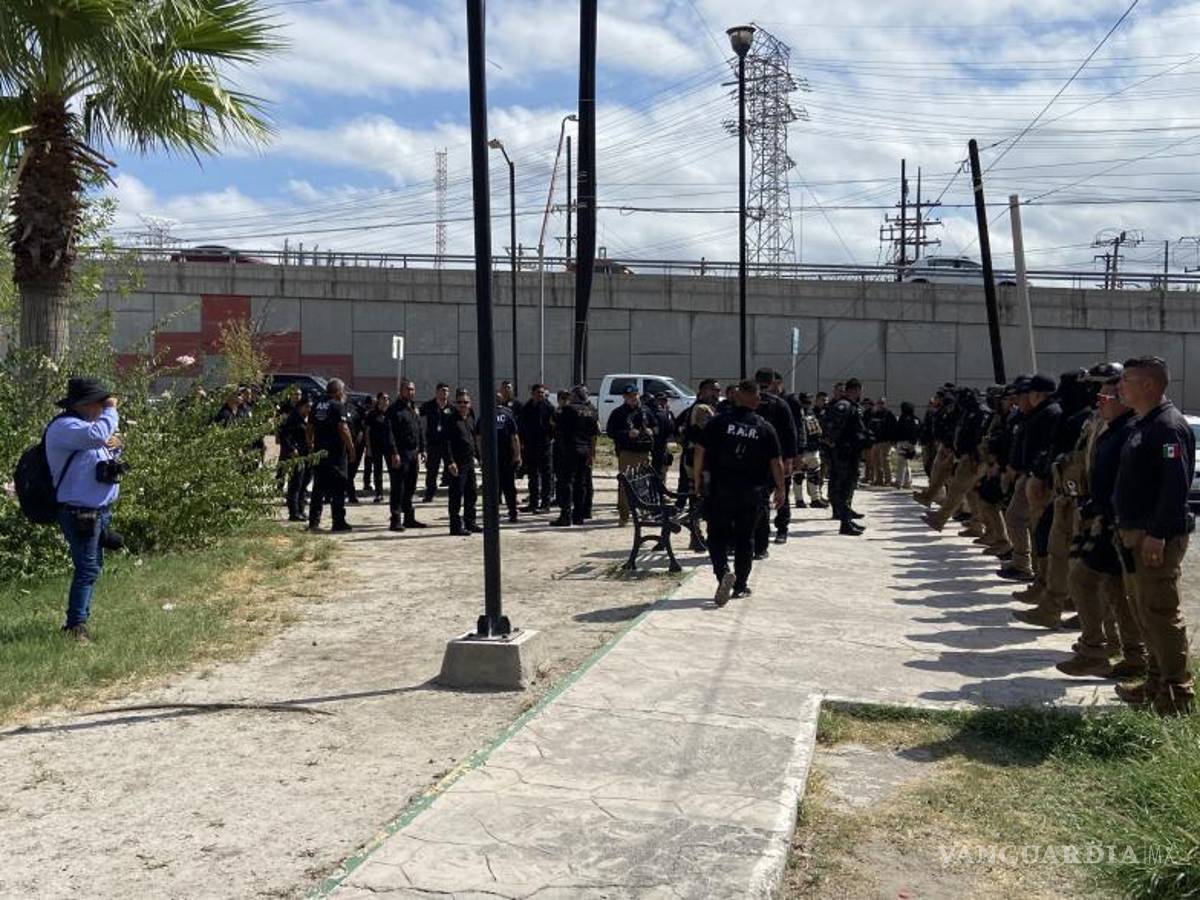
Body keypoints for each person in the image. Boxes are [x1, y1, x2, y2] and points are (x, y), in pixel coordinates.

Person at [1111, 356, 1195, 716]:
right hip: (1135, 533)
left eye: (1126, 379)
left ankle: (1177, 695)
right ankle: (1157, 681)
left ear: (1148, 385)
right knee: (1145, 611)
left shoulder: (1168, 428)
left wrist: (1158, 534)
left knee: (1161, 612)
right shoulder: (1143, 423)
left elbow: (1175, 487)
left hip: (1155, 536)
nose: (1119, 386)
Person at [1057, 363, 1145, 679]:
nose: (1098, 401)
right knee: (1114, 589)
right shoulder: (1111, 428)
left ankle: (1096, 649)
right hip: (1104, 517)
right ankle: (1129, 653)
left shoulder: (1130, 431)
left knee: (1084, 579)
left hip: (1117, 524)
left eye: (1106, 397)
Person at [693, 380, 786, 606]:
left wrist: (697, 479)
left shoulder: (718, 422)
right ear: (754, 400)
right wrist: (781, 489)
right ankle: (741, 585)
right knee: (746, 539)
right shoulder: (764, 427)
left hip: (720, 490)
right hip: (751, 493)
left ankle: (723, 573)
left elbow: (699, 451)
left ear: (736, 397)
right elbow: (777, 463)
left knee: (717, 536)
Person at [46, 377, 124, 643]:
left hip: (98, 511)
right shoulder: (66, 427)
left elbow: (100, 456)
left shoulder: (88, 428)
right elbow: (96, 437)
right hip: (79, 512)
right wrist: (112, 410)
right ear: (84, 404)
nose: (104, 407)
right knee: (87, 568)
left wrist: (116, 447)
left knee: (93, 565)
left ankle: (79, 620)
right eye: (101, 403)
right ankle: (75, 626)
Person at [753, 367, 798, 552]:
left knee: (777, 496)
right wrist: (790, 458)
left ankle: (780, 529)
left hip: (768, 458)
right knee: (777, 495)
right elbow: (791, 432)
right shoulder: (772, 403)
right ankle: (775, 531)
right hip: (770, 458)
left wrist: (789, 458)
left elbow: (790, 432)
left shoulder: (779, 404)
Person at [307, 379, 356, 533]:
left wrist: (310, 446)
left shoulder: (316, 405)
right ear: (339, 392)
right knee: (338, 487)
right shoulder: (337, 405)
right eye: (343, 391)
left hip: (319, 452)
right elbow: (343, 428)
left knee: (318, 488)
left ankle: (313, 522)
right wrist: (351, 448)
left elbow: (309, 427)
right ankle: (338, 521)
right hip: (336, 454)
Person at [824, 377, 870, 535]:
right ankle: (844, 522)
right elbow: (832, 428)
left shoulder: (852, 406)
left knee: (848, 485)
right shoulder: (843, 406)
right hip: (844, 452)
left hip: (851, 452)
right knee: (842, 487)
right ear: (854, 390)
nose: (861, 393)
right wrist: (835, 444)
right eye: (859, 390)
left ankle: (847, 519)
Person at [606, 384, 656, 527]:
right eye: (629, 396)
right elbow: (610, 432)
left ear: (638, 395)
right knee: (625, 484)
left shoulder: (646, 411)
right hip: (627, 452)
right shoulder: (618, 413)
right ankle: (624, 515)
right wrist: (627, 434)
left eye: (634, 395)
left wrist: (651, 431)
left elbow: (655, 425)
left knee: (644, 484)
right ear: (624, 397)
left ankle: (644, 513)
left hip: (644, 452)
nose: (633, 398)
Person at [551, 386, 599, 527]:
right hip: (585, 449)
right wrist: (592, 453)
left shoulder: (568, 409)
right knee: (581, 483)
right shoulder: (591, 411)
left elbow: (557, 426)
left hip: (570, 449)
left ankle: (565, 515)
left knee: (566, 482)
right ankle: (579, 515)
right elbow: (594, 434)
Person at [384, 380, 427, 532]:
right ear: (401, 390)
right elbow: (389, 434)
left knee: (410, 487)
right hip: (400, 453)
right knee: (398, 488)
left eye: (413, 389)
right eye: (408, 389)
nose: (411, 392)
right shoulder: (394, 410)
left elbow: (419, 429)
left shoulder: (413, 408)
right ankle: (395, 519)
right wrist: (394, 453)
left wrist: (423, 449)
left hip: (413, 453)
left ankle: (409, 518)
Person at [446, 390, 482, 536]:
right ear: (456, 404)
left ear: (470, 404)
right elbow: (446, 443)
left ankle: (470, 522)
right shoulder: (451, 420)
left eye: (465, 402)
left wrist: (479, 457)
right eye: (459, 402)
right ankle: (455, 527)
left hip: (469, 462)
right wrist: (450, 462)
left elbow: (474, 440)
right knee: (456, 496)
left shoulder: (470, 418)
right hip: (457, 463)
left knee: (471, 493)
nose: (462, 405)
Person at [518, 383, 555, 512]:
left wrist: (548, 439)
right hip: (530, 446)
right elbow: (521, 427)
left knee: (546, 476)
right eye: (538, 392)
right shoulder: (526, 408)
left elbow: (553, 427)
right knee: (532, 476)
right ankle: (533, 503)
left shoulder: (549, 408)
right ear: (533, 393)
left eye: (542, 393)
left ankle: (545, 504)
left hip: (544, 446)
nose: (541, 395)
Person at [278, 394, 312, 522]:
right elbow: (284, 436)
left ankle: (301, 509)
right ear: (301, 407)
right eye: (307, 407)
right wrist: (292, 449)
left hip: (306, 454)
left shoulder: (305, 419)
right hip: (295, 456)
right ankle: (294, 512)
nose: (309, 410)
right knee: (295, 484)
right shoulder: (292, 418)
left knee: (304, 482)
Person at [421, 383, 454, 502]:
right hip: (433, 443)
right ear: (437, 392)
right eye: (442, 391)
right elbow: (418, 413)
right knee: (432, 469)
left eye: (446, 391)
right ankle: (429, 493)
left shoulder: (451, 408)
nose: (444, 393)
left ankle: (452, 493)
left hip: (447, 443)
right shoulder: (429, 405)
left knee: (450, 467)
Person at [794, 393, 827, 507]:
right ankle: (799, 500)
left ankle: (815, 499)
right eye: (806, 401)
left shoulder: (812, 413)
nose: (808, 404)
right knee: (799, 475)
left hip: (814, 448)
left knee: (814, 475)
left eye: (809, 401)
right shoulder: (796, 413)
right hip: (802, 450)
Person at [494, 394, 523, 522]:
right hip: (507, 456)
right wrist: (517, 455)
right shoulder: (508, 414)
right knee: (509, 487)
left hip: (493, 457)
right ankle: (512, 513)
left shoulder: (486, 414)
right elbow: (514, 437)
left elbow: (479, 436)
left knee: (493, 487)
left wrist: (481, 455)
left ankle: (493, 513)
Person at [363, 392, 390, 503]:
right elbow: (368, 431)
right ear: (378, 400)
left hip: (389, 446)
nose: (386, 400)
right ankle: (379, 493)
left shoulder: (391, 413)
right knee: (377, 470)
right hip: (376, 446)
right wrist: (368, 447)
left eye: (388, 398)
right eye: (383, 398)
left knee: (393, 469)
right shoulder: (372, 414)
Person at [893, 401, 921, 490]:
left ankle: (899, 482)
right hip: (912, 443)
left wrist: (895, 441)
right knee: (905, 462)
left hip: (903, 442)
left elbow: (897, 430)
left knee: (901, 462)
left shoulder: (903, 419)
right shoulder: (916, 419)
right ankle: (907, 482)